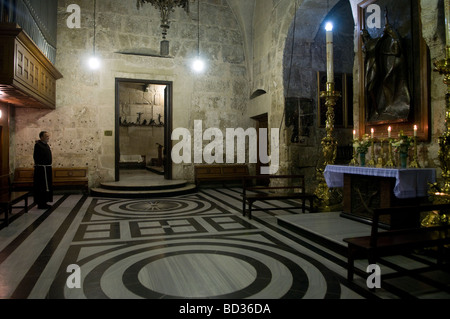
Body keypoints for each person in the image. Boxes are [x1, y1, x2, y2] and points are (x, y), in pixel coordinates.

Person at [33, 131, 53, 209]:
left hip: (46, 168)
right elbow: (36, 157)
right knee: (41, 186)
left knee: (46, 186)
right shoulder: (38, 145)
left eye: (48, 136)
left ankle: (45, 202)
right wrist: (41, 165)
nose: (48, 137)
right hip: (41, 170)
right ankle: (41, 203)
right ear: (41, 137)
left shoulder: (46, 145)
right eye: (46, 136)